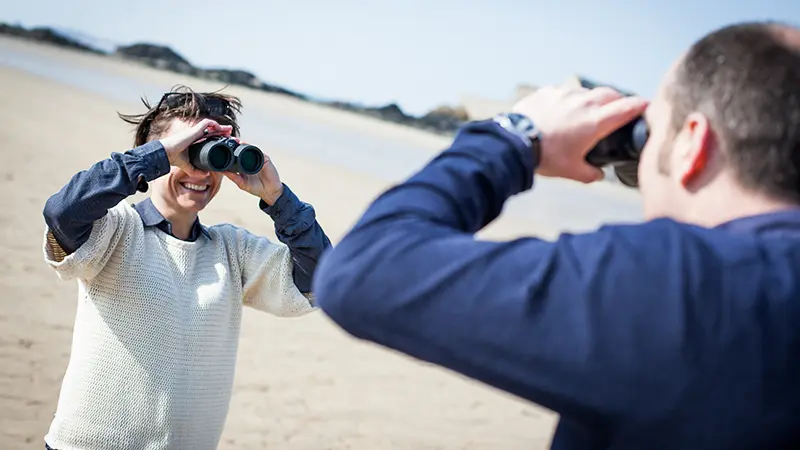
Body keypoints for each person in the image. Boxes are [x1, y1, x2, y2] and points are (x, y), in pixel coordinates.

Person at [312, 21, 800, 449]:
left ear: (692, 143)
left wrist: (514, 136)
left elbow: (361, 270)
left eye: (651, 134)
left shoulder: (677, 287)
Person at [41, 85, 332, 450]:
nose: (199, 171)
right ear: (155, 155)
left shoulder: (232, 251)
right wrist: (157, 156)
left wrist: (278, 198)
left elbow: (321, 280)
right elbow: (62, 213)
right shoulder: (116, 231)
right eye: (187, 152)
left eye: (210, 157)